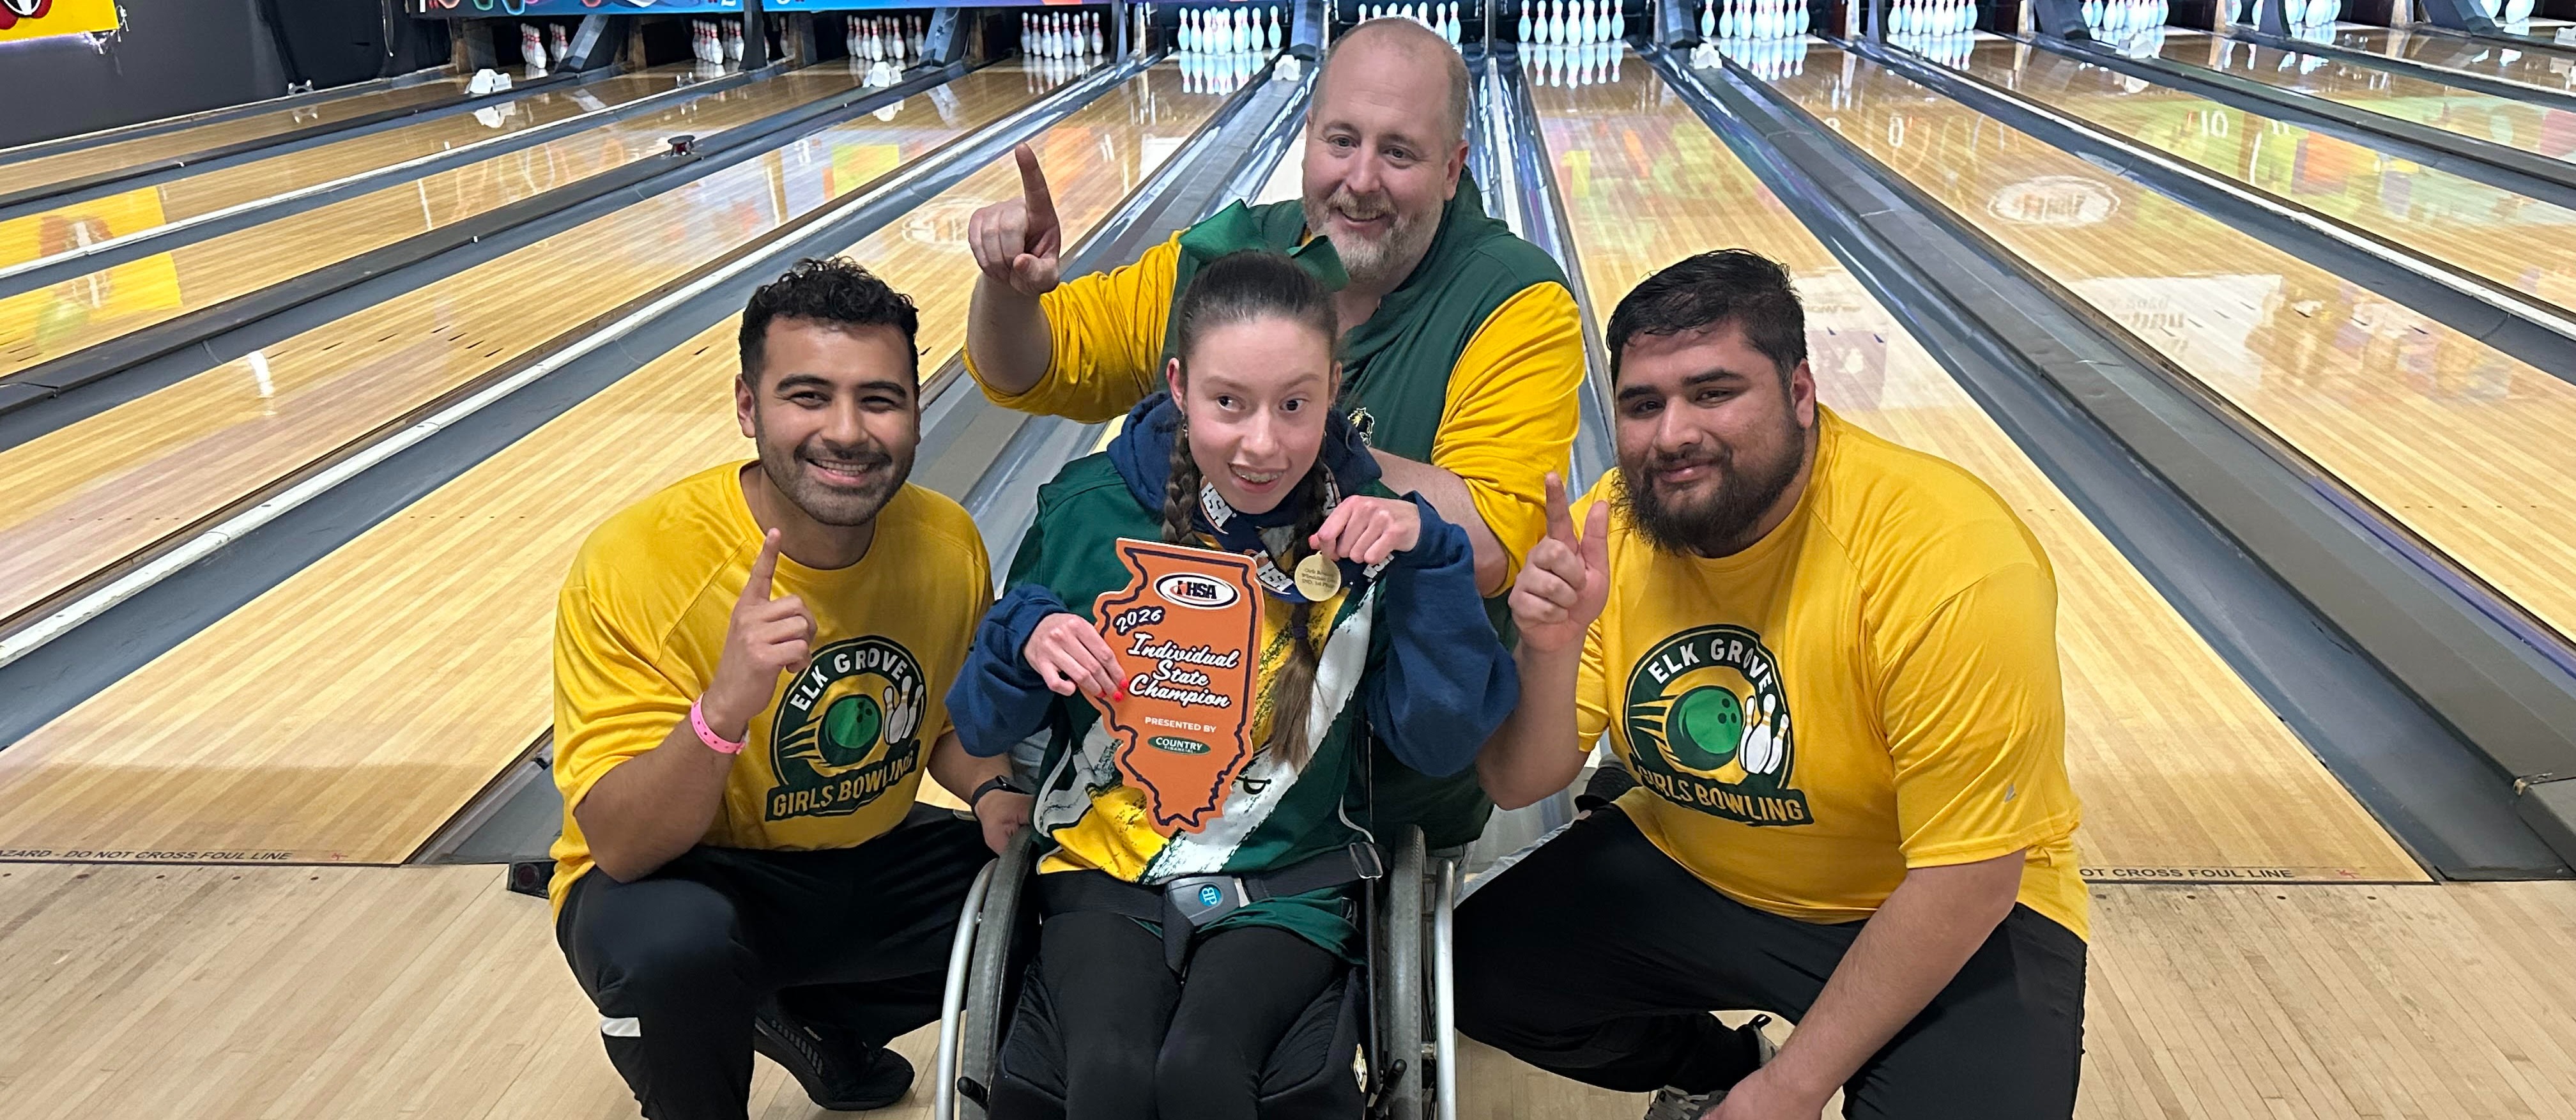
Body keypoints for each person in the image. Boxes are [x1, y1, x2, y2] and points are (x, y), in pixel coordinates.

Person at [1456, 250, 2088, 1120]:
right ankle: (1714, 1066)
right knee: (1479, 973)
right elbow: (1518, 780)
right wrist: (1551, 646)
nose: (1673, 432)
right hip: (1703, 865)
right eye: (1644, 404)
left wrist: (1790, 1091)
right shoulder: (1619, 529)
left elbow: (1968, 879)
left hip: (1932, 903)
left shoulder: (1946, 557)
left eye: (1713, 392)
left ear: (1800, 393)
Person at [962, 16, 1586, 847]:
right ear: (1306, 142)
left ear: (1452, 170)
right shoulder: (1224, 261)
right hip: (1167, 765)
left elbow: (1486, 537)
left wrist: (1279, 420)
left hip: (1369, 786)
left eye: (1398, 152)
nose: (1360, 179)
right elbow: (1029, 365)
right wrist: (1009, 290)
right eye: (1341, 140)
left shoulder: (1512, 300)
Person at [944, 250, 1517, 1120]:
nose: (1262, 442)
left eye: (1295, 404)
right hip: (1103, 874)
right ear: (1179, 386)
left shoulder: (1369, 533)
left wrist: (1434, 553)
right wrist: (1021, 635)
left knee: (1204, 1074)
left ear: (1333, 388)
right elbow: (985, 720)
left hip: (1291, 887)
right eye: (1228, 402)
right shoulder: (1087, 509)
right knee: (1106, 1075)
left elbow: (1437, 742)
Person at [547, 258, 1034, 1120]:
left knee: (1056, 895)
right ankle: (706, 1039)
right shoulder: (638, 562)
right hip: (690, 873)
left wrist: (993, 787)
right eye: (807, 396)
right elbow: (620, 843)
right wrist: (724, 707)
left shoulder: (947, 542)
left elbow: (947, 721)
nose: (846, 430)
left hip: (861, 860)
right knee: (678, 951)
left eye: (879, 399)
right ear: (748, 406)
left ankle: (811, 1019)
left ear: (916, 412)